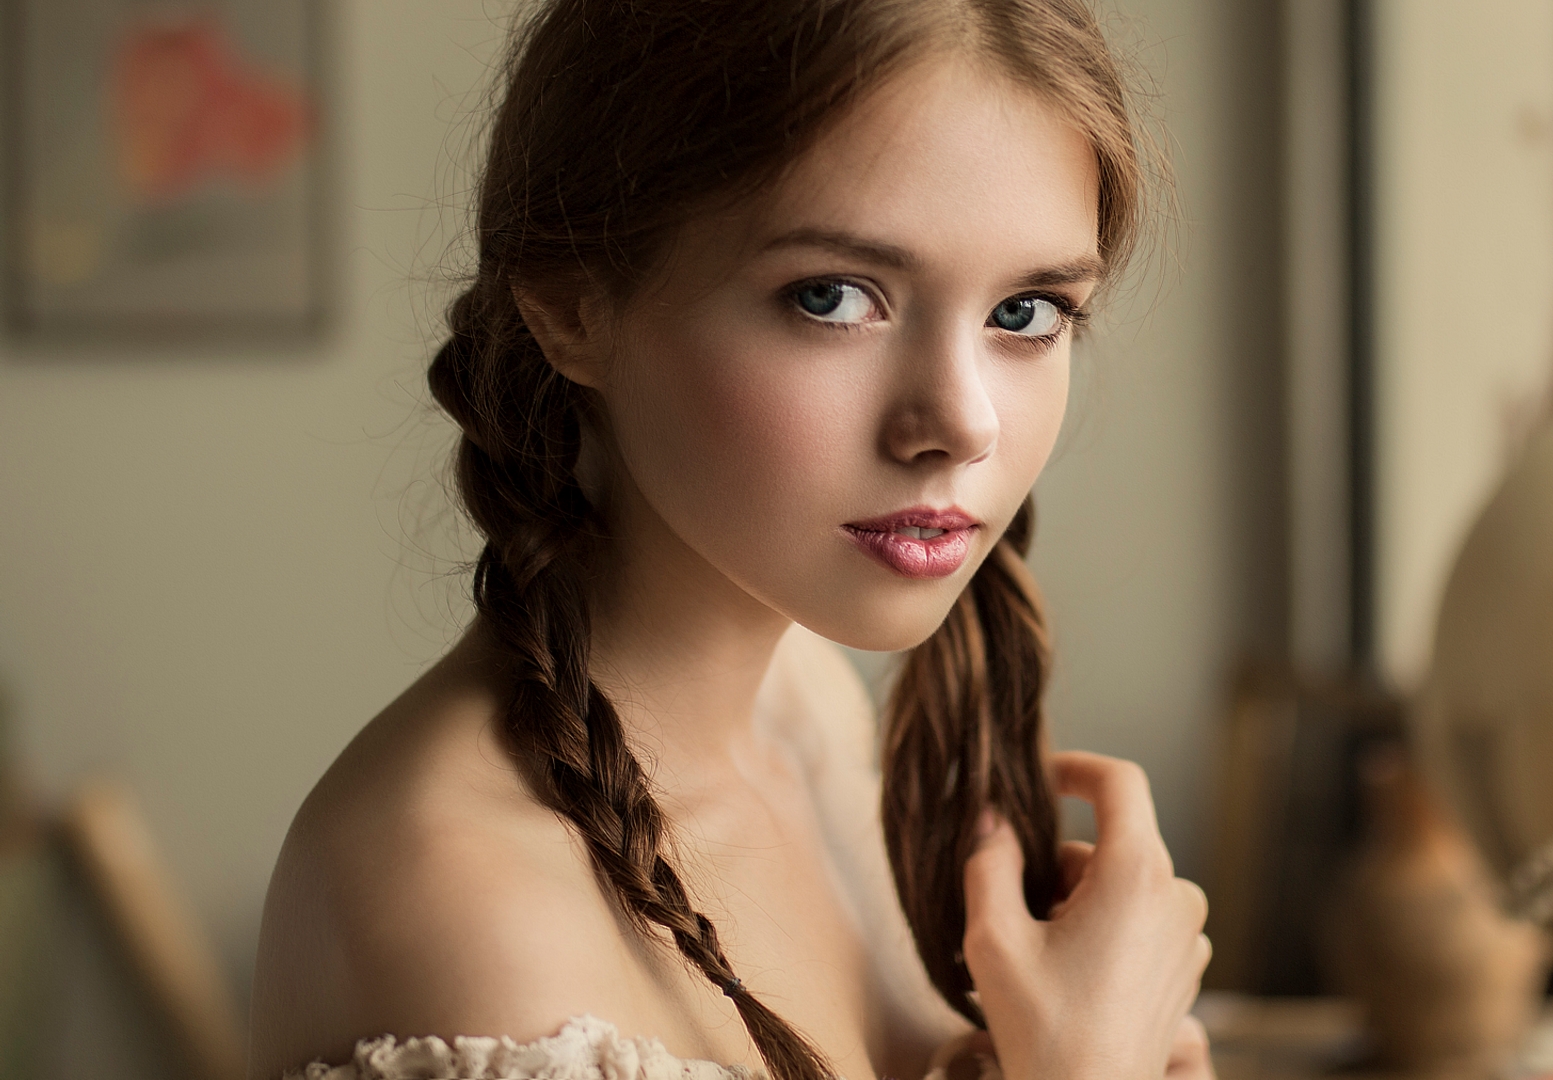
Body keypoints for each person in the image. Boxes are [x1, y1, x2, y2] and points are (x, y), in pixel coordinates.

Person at [250, 1, 1213, 1077]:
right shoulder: (464, 895)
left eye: (1028, 312)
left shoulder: (806, 703)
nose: (963, 422)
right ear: (571, 309)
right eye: (832, 295)